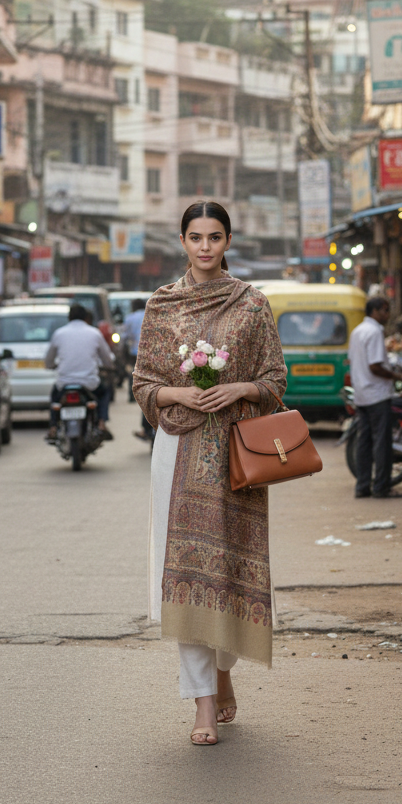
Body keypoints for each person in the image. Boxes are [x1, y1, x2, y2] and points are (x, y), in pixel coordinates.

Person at [133, 201, 287, 746]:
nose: (204, 246)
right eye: (195, 237)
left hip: (236, 457)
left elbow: (275, 379)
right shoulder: (162, 305)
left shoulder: (252, 305)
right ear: (181, 241)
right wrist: (185, 393)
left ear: (228, 240)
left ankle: (224, 672)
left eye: (214, 236)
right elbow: (143, 386)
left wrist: (239, 388)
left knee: (229, 573)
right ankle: (201, 703)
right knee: (188, 575)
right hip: (176, 453)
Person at [349, 296, 402, 499]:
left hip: (361, 393)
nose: (387, 315)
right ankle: (381, 487)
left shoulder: (358, 331)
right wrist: (399, 376)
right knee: (382, 443)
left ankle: (362, 486)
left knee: (365, 442)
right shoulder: (375, 331)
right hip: (377, 394)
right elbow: (375, 366)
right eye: (385, 311)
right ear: (375, 311)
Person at [45, 302, 115, 441]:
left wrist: (52, 365)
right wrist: (110, 366)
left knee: (54, 397)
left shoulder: (59, 333)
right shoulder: (94, 333)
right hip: (89, 384)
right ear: (86, 318)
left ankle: (53, 427)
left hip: (64, 383)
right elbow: (107, 358)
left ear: (69, 318)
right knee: (104, 392)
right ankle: (101, 422)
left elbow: (49, 360)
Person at [123, 298, 154, 441]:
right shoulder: (153, 313)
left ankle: (132, 393)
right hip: (152, 355)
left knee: (134, 375)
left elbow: (125, 336)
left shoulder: (130, 318)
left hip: (135, 353)